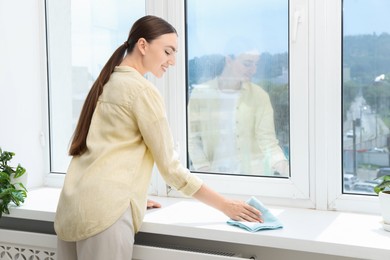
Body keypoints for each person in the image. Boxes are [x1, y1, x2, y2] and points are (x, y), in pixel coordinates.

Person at [54, 15, 262, 260]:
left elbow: (107, 149)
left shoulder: (107, 81)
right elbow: (171, 169)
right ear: (143, 45)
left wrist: (134, 194)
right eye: (167, 51)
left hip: (73, 205)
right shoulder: (142, 90)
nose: (172, 61)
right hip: (105, 214)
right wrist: (226, 205)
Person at [188, 42, 289, 176]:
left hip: (254, 179)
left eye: (255, 64)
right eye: (247, 64)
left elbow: (268, 142)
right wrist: (203, 169)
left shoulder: (260, 96)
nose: (253, 70)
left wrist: (287, 171)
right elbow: (192, 139)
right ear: (229, 60)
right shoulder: (200, 94)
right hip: (213, 178)